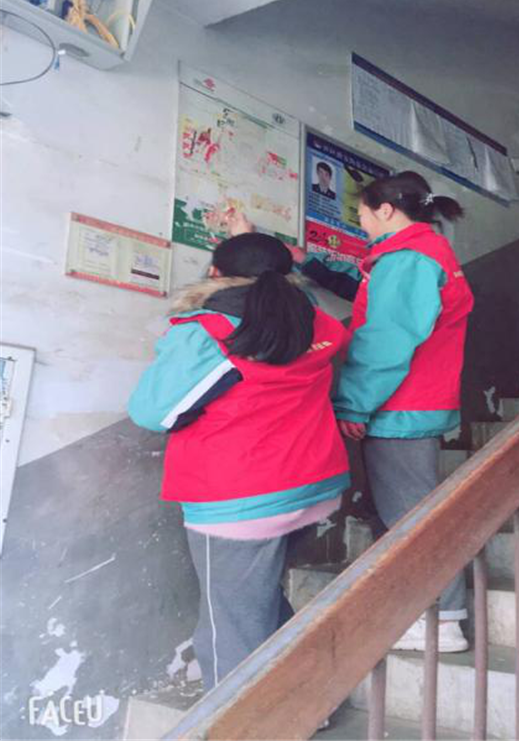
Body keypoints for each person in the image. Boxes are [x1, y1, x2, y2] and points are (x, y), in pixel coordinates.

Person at [128, 222, 350, 691]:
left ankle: (248, 718)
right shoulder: (316, 323)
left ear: (214, 272)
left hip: (240, 500)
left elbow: (152, 412)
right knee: (255, 599)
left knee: (228, 627)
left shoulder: (208, 332)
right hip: (313, 486)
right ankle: (309, 698)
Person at [295, 171, 474, 652]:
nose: (362, 226)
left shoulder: (409, 259)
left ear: (387, 210)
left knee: (411, 516)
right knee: (406, 512)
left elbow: (386, 338)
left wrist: (353, 402)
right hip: (410, 401)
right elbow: (370, 293)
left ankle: (441, 620)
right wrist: (308, 263)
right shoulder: (419, 254)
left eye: (362, 216)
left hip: (400, 405)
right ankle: (432, 612)